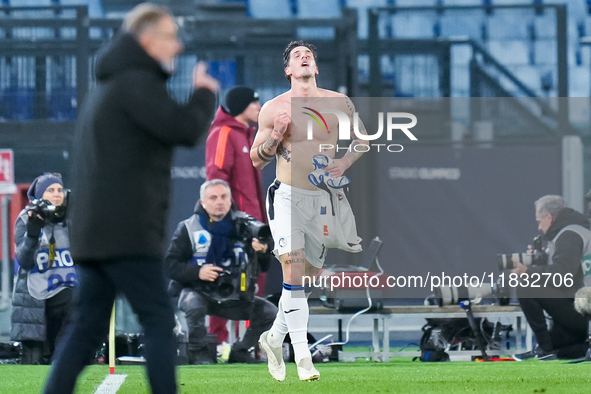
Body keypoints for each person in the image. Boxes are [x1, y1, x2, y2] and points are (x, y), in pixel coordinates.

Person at [42, 3, 219, 394]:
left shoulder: (110, 84)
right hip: (126, 234)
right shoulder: (135, 83)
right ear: (147, 40)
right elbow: (183, 128)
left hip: (98, 233)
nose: (178, 46)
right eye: (171, 37)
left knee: (86, 329)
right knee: (157, 321)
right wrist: (205, 94)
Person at [250, 40, 367, 381]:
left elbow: (363, 139)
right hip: (286, 196)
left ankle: (273, 338)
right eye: (297, 56)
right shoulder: (273, 108)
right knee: (293, 270)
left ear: (316, 68)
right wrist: (275, 135)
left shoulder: (338, 103)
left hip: (323, 200)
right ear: (288, 70)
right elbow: (256, 160)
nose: (304, 59)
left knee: (306, 278)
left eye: (309, 56)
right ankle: (302, 357)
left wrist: (344, 161)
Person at [165, 179, 277, 364]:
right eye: (213, 197)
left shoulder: (245, 226)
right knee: (193, 304)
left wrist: (263, 252)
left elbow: (264, 267)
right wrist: (198, 272)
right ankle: (197, 352)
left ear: (230, 199)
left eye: (224, 196)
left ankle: (240, 350)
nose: (219, 202)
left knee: (270, 312)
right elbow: (170, 265)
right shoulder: (188, 228)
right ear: (203, 202)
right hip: (199, 292)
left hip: (234, 295)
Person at [205, 86, 265, 347]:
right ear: (242, 106)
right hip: (232, 227)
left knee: (253, 282)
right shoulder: (224, 133)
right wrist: (226, 222)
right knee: (224, 281)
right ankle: (218, 342)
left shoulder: (247, 135)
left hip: (253, 226)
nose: (260, 107)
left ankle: (250, 343)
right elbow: (216, 179)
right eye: (255, 103)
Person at [512, 195, 590, 361]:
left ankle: (544, 347)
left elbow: (563, 274)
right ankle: (581, 347)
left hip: (584, 310)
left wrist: (528, 271)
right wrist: (542, 259)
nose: (539, 228)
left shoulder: (569, 234)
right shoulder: (576, 229)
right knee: (561, 349)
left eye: (539, 221)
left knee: (525, 285)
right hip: (582, 308)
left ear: (549, 216)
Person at [11, 173, 75, 364]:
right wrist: (32, 235)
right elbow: (24, 261)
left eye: (59, 190)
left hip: (66, 290)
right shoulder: (25, 219)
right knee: (34, 362)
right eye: (50, 190)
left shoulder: (72, 218)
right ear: (39, 196)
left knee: (66, 355)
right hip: (34, 297)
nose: (56, 194)